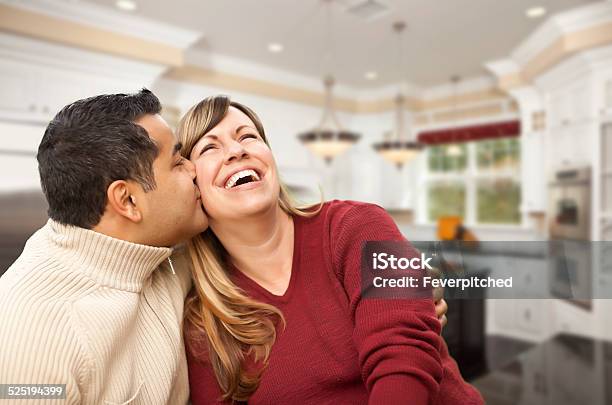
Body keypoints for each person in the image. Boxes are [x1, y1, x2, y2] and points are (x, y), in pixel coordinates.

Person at [177, 95, 483, 404]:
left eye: (248, 136)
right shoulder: (204, 321)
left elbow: (404, 359)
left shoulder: (356, 225)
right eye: (210, 147)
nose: (237, 150)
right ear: (193, 187)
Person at [0, 89, 207, 404]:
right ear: (127, 200)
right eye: (177, 162)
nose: (194, 169)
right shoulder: (30, 331)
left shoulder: (160, 253)